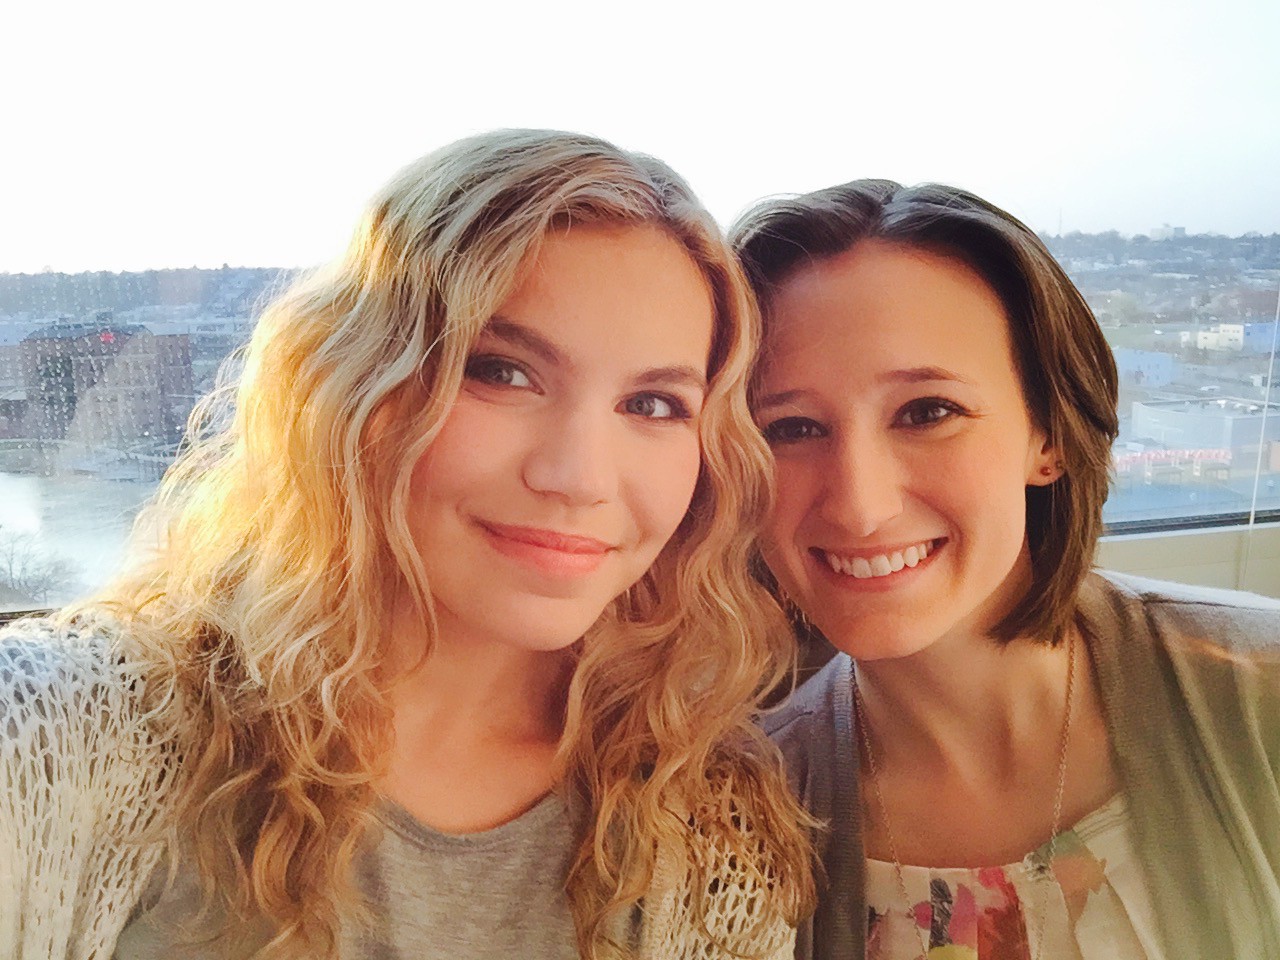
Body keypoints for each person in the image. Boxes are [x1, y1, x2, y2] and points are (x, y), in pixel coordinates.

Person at [0, 130, 814, 960]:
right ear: (359, 389)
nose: (579, 479)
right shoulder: (54, 736)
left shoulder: (713, 826)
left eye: (653, 405)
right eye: (502, 371)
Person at [730, 179, 1280, 960]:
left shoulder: (1260, 698)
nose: (859, 506)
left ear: (1047, 434)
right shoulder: (736, 812)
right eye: (791, 427)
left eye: (928, 412)